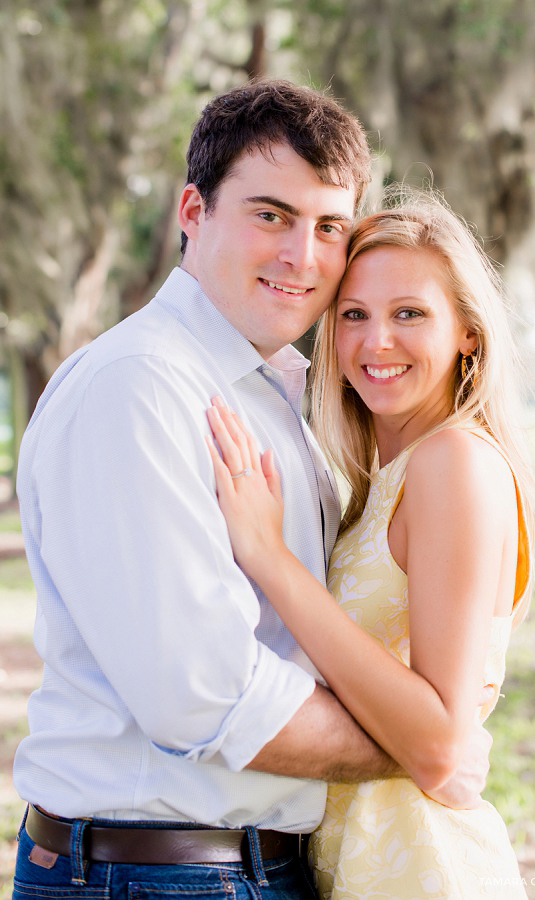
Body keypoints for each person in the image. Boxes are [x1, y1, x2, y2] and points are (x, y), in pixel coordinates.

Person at [13, 82, 491, 900]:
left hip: (245, 867)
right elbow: (201, 696)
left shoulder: (264, 390)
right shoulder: (141, 387)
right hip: (154, 875)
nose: (302, 256)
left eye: (328, 227)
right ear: (191, 211)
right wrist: (422, 741)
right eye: (270, 215)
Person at [205, 189, 535, 899]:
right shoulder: (383, 480)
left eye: (409, 314)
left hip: (422, 867)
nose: (374, 342)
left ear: (467, 334)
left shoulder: (453, 461)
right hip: (359, 861)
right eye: (352, 315)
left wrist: (270, 558)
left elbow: (439, 741)